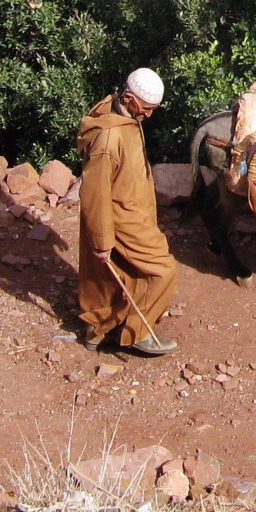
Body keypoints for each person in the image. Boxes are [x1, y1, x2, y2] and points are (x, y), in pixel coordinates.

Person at [76, 67, 179, 356]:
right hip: (121, 218)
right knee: (163, 270)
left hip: (133, 210)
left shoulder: (122, 115)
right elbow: (95, 192)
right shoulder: (109, 139)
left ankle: (100, 331)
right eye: (146, 108)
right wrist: (102, 240)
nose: (149, 115)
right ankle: (138, 333)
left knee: (117, 275)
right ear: (130, 98)